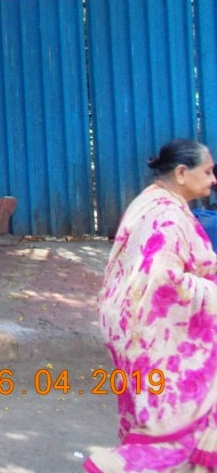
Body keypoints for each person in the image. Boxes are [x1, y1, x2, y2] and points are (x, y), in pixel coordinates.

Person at [86, 138, 217, 473]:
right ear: (182, 173)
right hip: (155, 331)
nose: (214, 179)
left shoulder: (153, 202)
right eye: (208, 170)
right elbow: (162, 280)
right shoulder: (167, 216)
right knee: (177, 417)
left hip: (132, 323)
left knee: (168, 414)